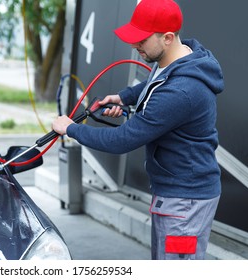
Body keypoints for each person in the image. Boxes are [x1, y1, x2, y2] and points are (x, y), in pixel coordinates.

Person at [52, 0, 224, 260]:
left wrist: (71, 129)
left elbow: (122, 139)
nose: (134, 45)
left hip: (183, 206)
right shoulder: (178, 57)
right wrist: (124, 97)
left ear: (167, 37)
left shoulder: (181, 91)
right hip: (178, 195)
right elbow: (154, 83)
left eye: (141, 40)